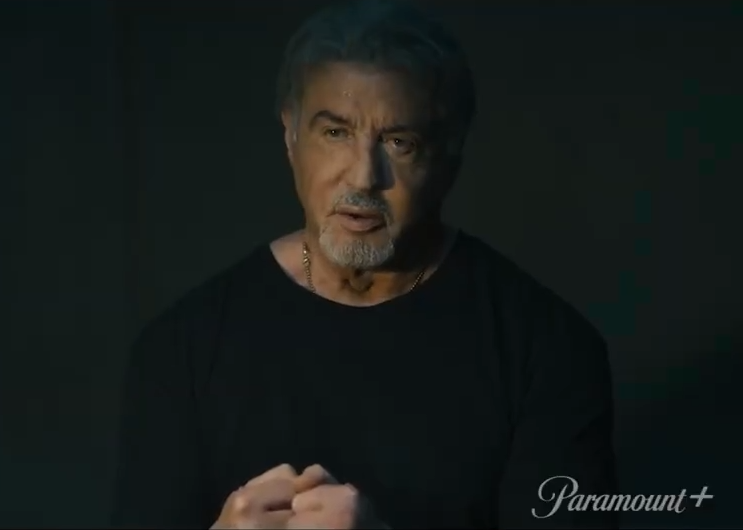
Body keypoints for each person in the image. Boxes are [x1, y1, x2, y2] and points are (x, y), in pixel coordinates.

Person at [109, 0, 618, 528]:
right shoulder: (181, 350)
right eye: (335, 133)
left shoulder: (547, 349)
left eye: (399, 142)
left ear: (450, 154)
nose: (362, 177)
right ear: (290, 136)